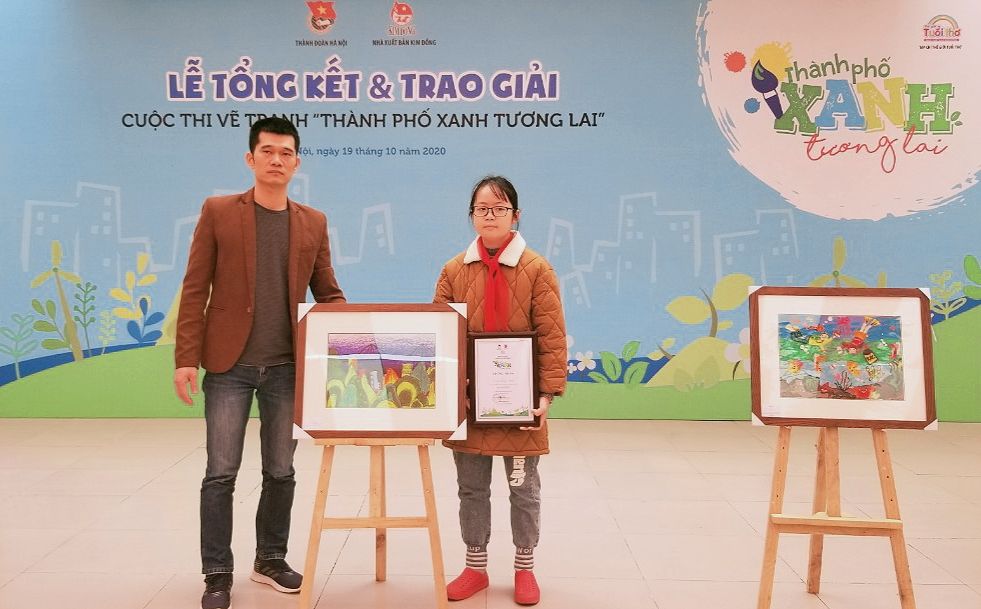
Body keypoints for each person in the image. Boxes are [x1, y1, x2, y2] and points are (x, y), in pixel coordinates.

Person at [173, 116, 346, 609]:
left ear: (297, 162)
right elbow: (195, 288)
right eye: (267, 151)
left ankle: (270, 559)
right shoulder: (219, 212)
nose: (276, 160)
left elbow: (328, 293)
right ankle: (217, 573)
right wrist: (186, 358)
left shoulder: (312, 222)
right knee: (220, 472)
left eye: (285, 152)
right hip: (228, 366)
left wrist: (352, 341)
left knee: (281, 470)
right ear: (251, 159)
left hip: (287, 368)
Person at [433, 176, 567, 606]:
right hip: (470, 404)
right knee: (471, 489)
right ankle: (475, 568)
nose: (490, 216)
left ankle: (525, 567)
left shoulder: (537, 269)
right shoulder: (453, 270)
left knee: (523, 489)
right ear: (471, 215)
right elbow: (441, 336)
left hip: (520, 407)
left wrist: (545, 394)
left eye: (499, 208)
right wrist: (454, 391)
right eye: (482, 209)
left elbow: (552, 335)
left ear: (516, 215)